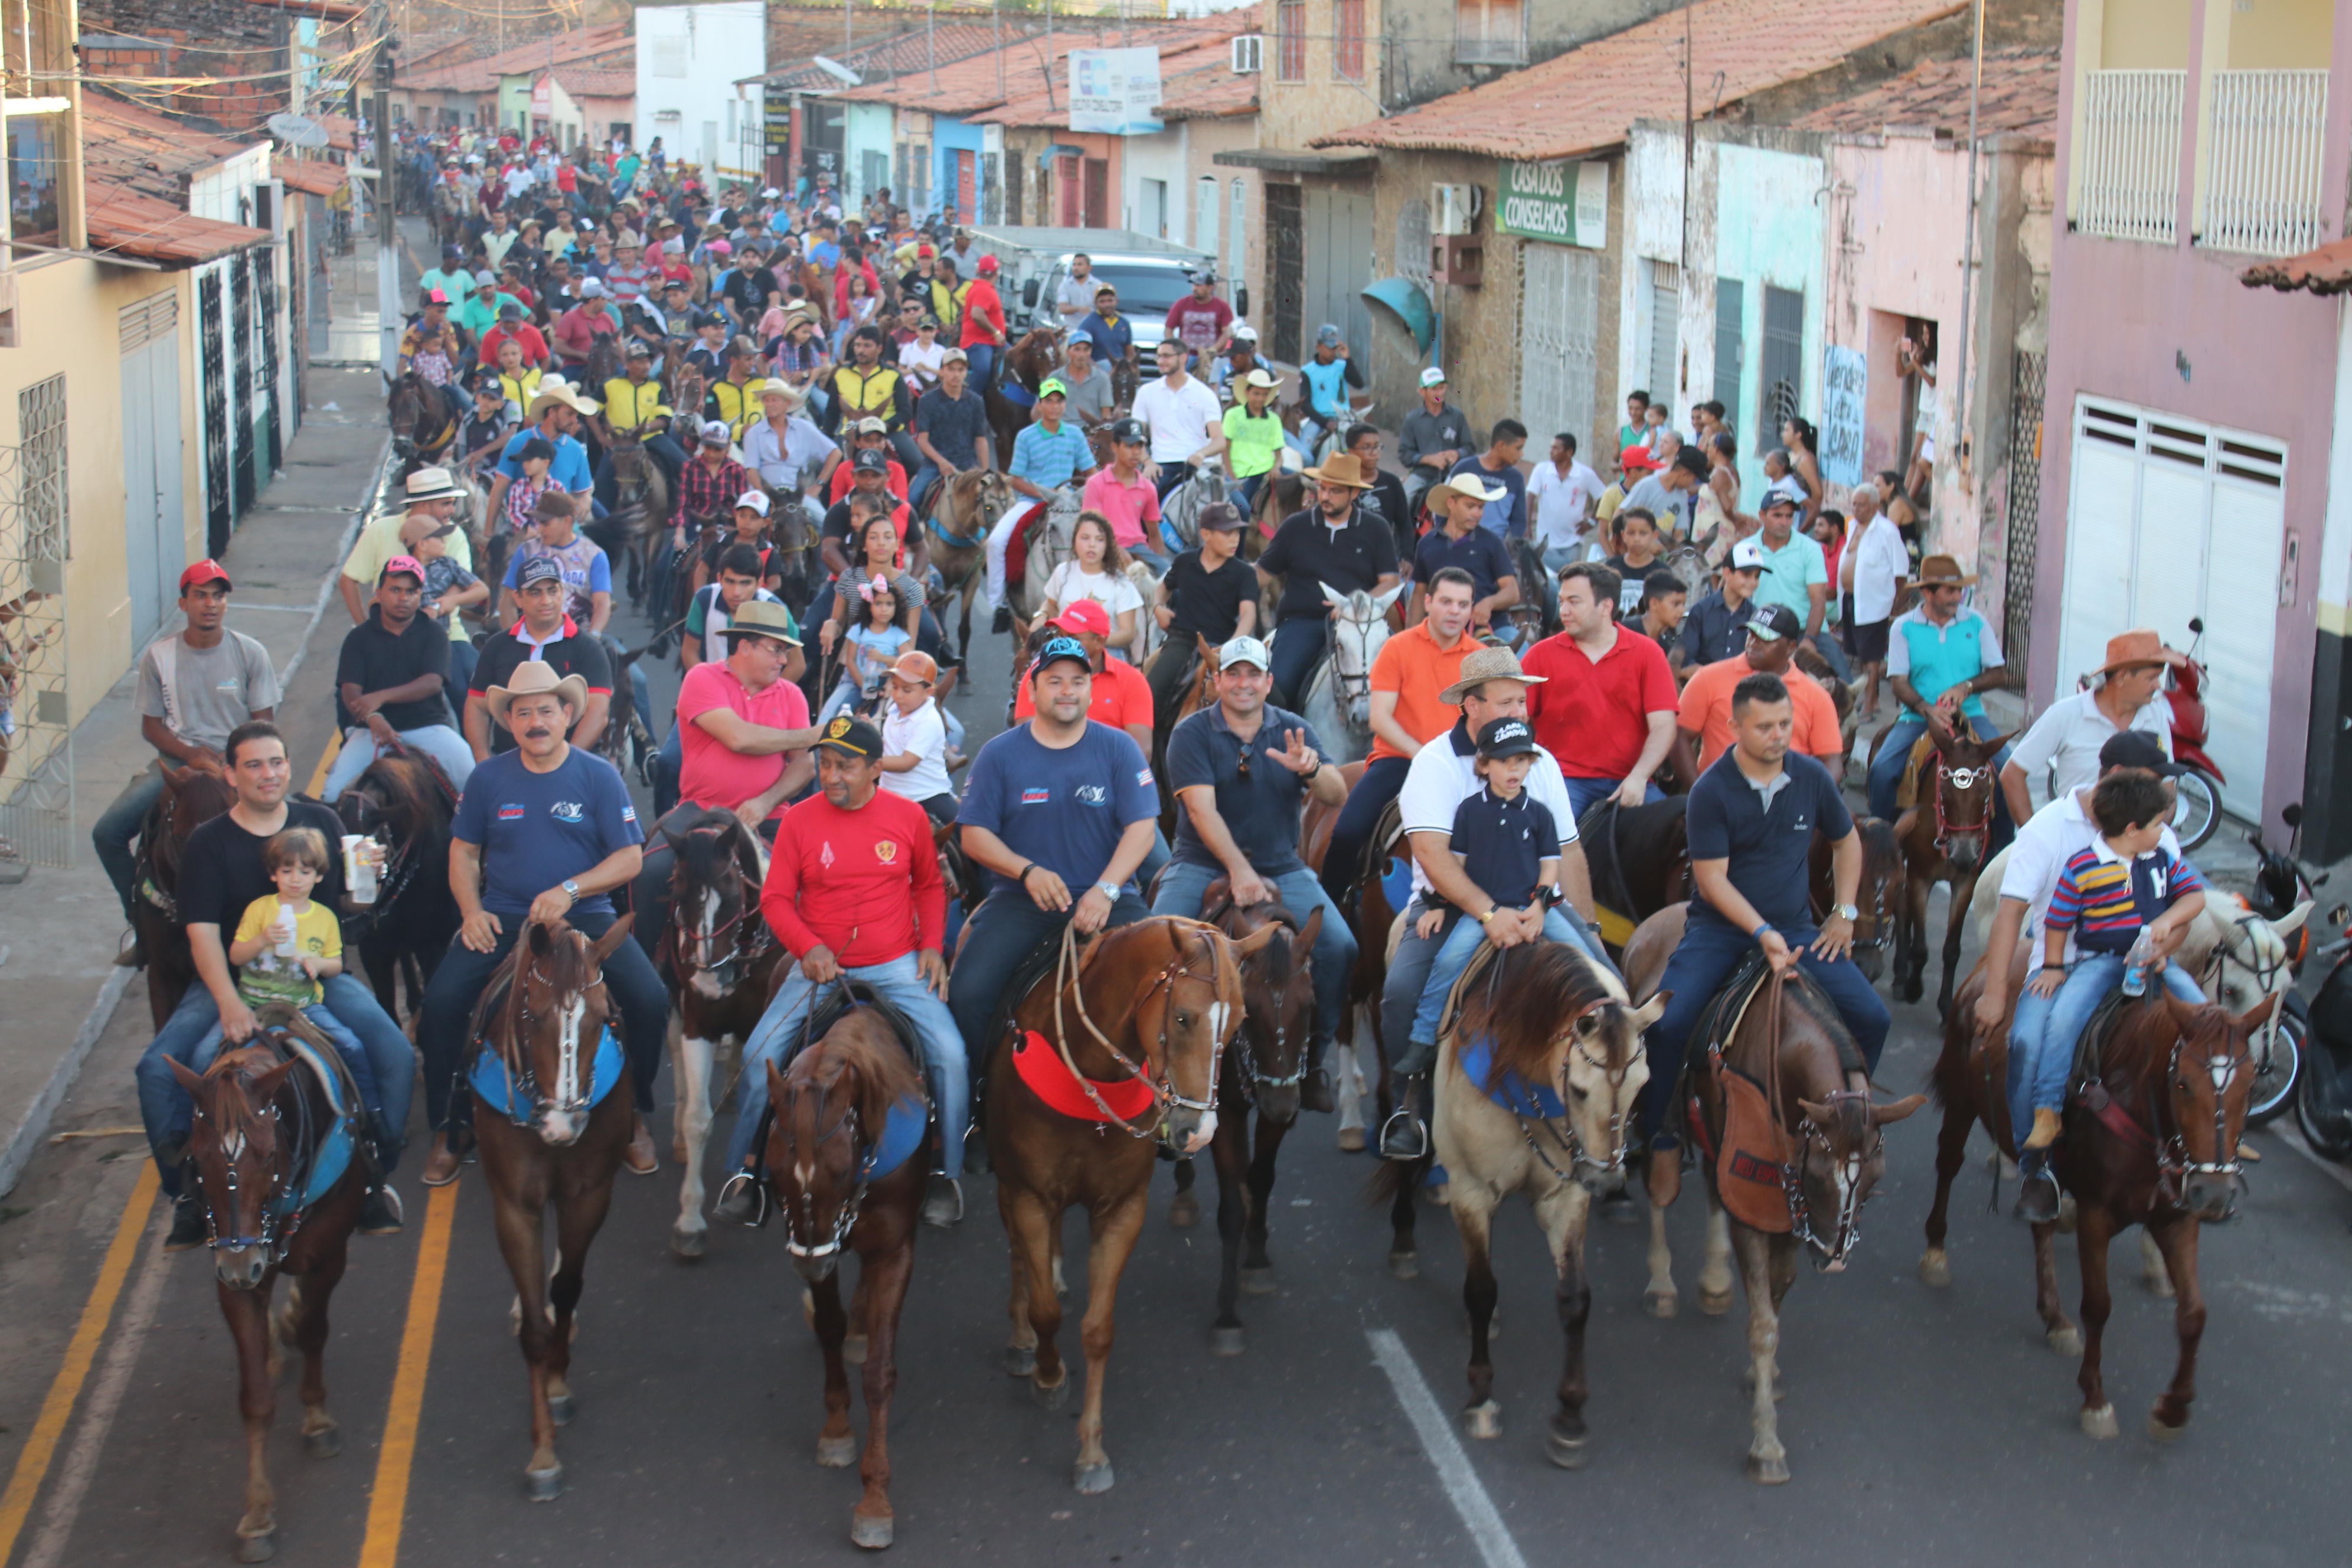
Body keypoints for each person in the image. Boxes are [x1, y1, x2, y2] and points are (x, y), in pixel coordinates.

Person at [134, 721, 411, 1247]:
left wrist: (370, 875)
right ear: (231, 774)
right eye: (255, 765)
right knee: (158, 1069)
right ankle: (188, 1194)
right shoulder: (207, 844)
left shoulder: (320, 821)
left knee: (392, 1050)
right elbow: (203, 936)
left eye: (277, 762)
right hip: (235, 981)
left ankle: (377, 1169)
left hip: (316, 979)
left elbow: (347, 908)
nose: (269, 774)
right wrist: (228, 1003)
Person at [1635, 671, 1889, 1206]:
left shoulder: (1811, 778)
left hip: (1798, 929)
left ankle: (1847, 1121)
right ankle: (1659, 1134)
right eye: (1766, 727)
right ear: (1734, 727)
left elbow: (1847, 843)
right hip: (1720, 931)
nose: (1779, 736)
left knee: (1873, 1016)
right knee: (1669, 1024)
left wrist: (1843, 913)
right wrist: (1762, 932)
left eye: (1785, 725)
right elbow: (1712, 880)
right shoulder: (1710, 791)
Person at [708, 710, 969, 1227]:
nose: (831, 777)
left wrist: (933, 946)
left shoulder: (909, 817)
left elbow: (927, 885)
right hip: (818, 967)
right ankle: (746, 1173)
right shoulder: (800, 820)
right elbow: (779, 899)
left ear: (875, 770)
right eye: (825, 764)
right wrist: (807, 948)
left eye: (845, 766)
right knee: (761, 1054)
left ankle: (946, 1172)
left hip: (896, 964)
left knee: (952, 1056)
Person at [417, 661, 670, 1185]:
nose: (536, 721)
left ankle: (636, 1114)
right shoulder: (487, 778)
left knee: (649, 1001)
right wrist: (471, 911)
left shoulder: (598, 775)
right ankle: (450, 1123)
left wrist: (570, 890)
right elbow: (463, 853)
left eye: (546, 711)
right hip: (507, 917)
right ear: (509, 721)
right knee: (440, 1006)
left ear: (568, 715)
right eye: (524, 712)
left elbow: (629, 859)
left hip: (587, 916)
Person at [1377, 646, 1605, 1159]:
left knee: (1607, 979)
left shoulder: (1537, 763)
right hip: (1452, 904)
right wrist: (1487, 913)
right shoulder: (1434, 764)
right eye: (1506, 702)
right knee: (1402, 989)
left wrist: (1585, 923)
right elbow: (1436, 856)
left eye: (1521, 702)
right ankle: (1409, 1104)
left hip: (1536, 902)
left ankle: (1615, 1110)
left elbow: (1566, 848)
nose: (1518, 712)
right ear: (1471, 706)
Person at [1975, 733, 2197, 1219]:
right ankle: (2036, 1166)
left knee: (2206, 1036)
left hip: (2143, 962)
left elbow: (2181, 909)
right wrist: (1995, 992)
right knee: (2028, 1044)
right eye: (2156, 781)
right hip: (2063, 965)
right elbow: (2012, 914)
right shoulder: (2049, 829)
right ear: (2118, 777)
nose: (2168, 795)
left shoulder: (2160, 833)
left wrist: (2164, 947)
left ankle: (2207, 1150)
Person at [1152, 635, 1357, 1111]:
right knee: (1156, 949)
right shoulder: (1192, 733)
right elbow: (1201, 812)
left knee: (1340, 948)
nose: (1243, 684)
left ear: (1268, 682)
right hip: (1199, 863)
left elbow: (1335, 794)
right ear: (1219, 680)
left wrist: (1311, 769)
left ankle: (1311, 1061)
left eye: (1253, 675)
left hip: (1281, 865)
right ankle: (1157, 1073)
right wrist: (1239, 871)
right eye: (1234, 674)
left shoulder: (1294, 728)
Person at [947, 636, 1158, 1094]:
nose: (1068, 691)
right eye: (1055, 681)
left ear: (1090, 690)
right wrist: (1026, 870)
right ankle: (980, 1098)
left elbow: (1143, 829)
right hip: (1022, 901)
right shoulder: (999, 754)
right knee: (968, 993)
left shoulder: (1119, 748)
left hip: (1110, 900)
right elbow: (974, 835)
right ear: (1033, 689)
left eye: (1078, 682)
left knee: (1167, 984)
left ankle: (1166, 1101)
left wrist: (1105, 890)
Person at [95, 561, 279, 961]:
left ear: (226, 603)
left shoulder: (250, 653)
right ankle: (142, 924)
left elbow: (264, 723)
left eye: (218, 596)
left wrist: (233, 761)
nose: (210, 604)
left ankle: (286, 926)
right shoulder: (158, 657)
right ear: (184, 603)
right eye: (200, 596)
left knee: (291, 834)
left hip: (237, 766)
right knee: (108, 832)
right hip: (176, 763)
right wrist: (191, 754)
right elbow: (152, 727)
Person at [631, 599, 815, 954]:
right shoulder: (703, 678)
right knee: (653, 872)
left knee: (807, 880)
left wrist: (763, 802)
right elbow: (739, 737)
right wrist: (813, 735)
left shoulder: (791, 694)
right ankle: (653, 971)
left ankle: (790, 977)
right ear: (744, 647)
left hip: (770, 816)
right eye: (777, 650)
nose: (784, 660)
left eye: (786, 651)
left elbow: (804, 766)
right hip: (700, 810)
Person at [1317, 568, 1479, 909]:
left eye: (1463, 605)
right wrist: (1423, 754)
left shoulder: (1480, 657)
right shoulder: (1398, 647)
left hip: (1462, 764)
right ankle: (1328, 917)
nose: (1455, 612)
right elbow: (1380, 717)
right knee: (1347, 831)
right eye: (1447, 602)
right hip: (1401, 759)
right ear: (1429, 602)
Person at [1405, 717, 1561, 1050]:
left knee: (1583, 953)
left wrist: (1540, 906)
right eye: (1504, 762)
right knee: (1448, 961)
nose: (1513, 769)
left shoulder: (1540, 814)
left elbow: (1551, 864)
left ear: (1531, 764)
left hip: (1531, 905)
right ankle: (1423, 1033)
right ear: (1484, 765)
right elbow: (1456, 865)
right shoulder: (1469, 811)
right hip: (1484, 911)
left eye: (1521, 761)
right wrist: (1436, 905)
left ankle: (1613, 1021)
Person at [1523, 561, 1680, 819]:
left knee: (1675, 829)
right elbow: (1515, 717)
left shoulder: (1648, 653)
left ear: (1606, 606)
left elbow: (1664, 725)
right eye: (1562, 602)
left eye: (1575, 602)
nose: (1563, 611)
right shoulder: (1540, 655)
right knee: (1552, 836)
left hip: (1630, 778)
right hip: (1562, 779)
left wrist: (1639, 777)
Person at [1867, 553, 2012, 834]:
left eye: (1960, 590)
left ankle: (2001, 852)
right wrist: (1927, 709)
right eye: (1949, 591)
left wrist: (1966, 687)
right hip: (1917, 717)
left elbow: (1999, 673)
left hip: (1971, 715)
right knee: (1882, 771)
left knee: (2007, 770)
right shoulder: (1903, 627)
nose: (1957, 597)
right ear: (1927, 593)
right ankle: (1879, 842)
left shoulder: (1976, 622)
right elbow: (1898, 681)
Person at [322, 557, 478, 799]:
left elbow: (433, 682)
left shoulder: (434, 632)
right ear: (379, 593)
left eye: (411, 591)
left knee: (472, 782)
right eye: (395, 590)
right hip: (370, 732)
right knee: (333, 794)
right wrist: (373, 717)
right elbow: (350, 691)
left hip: (428, 727)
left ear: (420, 595)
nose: (403, 598)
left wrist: (380, 698)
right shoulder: (358, 638)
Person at [1256, 451, 1399, 712]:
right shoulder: (1296, 526)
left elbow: (1390, 581)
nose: (1324, 496)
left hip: (1360, 623)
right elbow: (1262, 574)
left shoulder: (1376, 528)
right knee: (1279, 688)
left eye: (1335, 491)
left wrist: (1352, 607)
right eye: (1322, 488)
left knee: (1403, 684)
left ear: (1354, 494)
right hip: (1304, 622)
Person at [2000, 629, 2176, 825]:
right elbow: (2012, 774)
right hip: (2076, 843)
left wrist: (2155, 839)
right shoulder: (2065, 714)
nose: (2158, 686)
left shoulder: (2156, 715)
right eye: (2151, 678)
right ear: (2122, 677)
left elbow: (2168, 786)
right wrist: (2034, 835)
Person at [466, 556, 613, 759]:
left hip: (577, 761)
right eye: (535, 593)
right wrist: (482, 759)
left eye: (552, 591)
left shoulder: (588, 647)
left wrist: (566, 762)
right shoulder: (497, 646)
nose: (546, 601)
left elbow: (598, 711)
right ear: (518, 598)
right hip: (509, 761)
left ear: (562, 592)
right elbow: (476, 705)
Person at [1677, 605, 1844, 775]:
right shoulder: (1708, 678)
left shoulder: (1817, 697)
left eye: (1765, 638)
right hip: (1719, 795)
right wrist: (1698, 792)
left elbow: (1832, 761)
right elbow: (1680, 737)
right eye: (1751, 634)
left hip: (1785, 797)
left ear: (1791, 647)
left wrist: (1807, 800)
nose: (1753, 643)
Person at [985, 378, 1096, 624]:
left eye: (1059, 402)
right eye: (1049, 402)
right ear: (1041, 405)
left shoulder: (1076, 435)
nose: (1054, 407)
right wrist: (1044, 493)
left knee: (1100, 539)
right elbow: (1016, 479)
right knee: (996, 541)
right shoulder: (1026, 436)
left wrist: (1082, 493)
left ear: (1064, 405)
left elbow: (1091, 472)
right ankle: (999, 603)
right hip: (1032, 500)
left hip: (1068, 502)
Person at [1145, 502, 1257, 722]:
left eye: (1237, 533)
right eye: (1228, 533)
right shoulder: (1185, 562)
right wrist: (1158, 608)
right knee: (1150, 696)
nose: (1235, 539)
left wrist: (1232, 644)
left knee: (1275, 699)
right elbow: (1162, 588)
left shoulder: (1244, 573)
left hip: (1221, 646)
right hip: (1183, 641)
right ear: (1206, 534)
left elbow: (1249, 614)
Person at [1747, 480, 1846, 678]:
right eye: (1777, 516)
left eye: (1789, 516)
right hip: (1759, 632)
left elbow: (1818, 600)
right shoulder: (1747, 549)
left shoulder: (1810, 549)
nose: (1784, 522)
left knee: (1842, 682)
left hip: (1803, 629)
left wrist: (1810, 639)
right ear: (1762, 516)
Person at [398, 512, 489, 710]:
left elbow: (481, 589)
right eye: (438, 538)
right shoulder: (403, 572)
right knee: (456, 689)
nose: (444, 542)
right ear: (421, 544)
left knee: (480, 681)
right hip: (422, 643)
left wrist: (449, 601)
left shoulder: (448, 564)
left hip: (446, 636)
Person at [1409, 474, 1517, 633]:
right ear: (1451, 503)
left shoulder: (1492, 542)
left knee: (1519, 650)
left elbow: (1512, 591)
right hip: (1441, 627)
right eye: (1471, 506)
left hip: (1490, 627)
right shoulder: (1427, 544)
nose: (1477, 513)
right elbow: (1419, 593)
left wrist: (1489, 603)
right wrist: (1411, 634)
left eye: (1481, 507)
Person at [1038, 511, 1145, 664]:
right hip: (1064, 651)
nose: (1092, 545)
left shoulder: (1121, 582)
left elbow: (1128, 633)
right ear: (1074, 540)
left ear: (1107, 545)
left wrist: (1092, 642)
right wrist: (1039, 618)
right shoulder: (1062, 572)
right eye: (1085, 538)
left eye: (1100, 539)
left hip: (1107, 653)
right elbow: (1050, 605)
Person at [1843, 480, 1909, 717]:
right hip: (1852, 599)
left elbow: (1901, 570)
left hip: (1874, 602)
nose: (1856, 509)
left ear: (1875, 506)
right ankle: (1873, 698)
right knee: (1860, 654)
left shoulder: (1887, 530)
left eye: (1861, 505)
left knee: (1872, 657)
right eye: (1854, 504)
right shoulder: (1852, 527)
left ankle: (1869, 704)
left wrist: (1894, 601)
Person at [1133, 338, 1227, 502]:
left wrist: (1202, 453)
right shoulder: (1146, 392)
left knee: (1242, 508)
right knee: (1138, 505)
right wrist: (1148, 462)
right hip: (1162, 463)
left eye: (1167, 356)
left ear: (1183, 358)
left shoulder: (1205, 394)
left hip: (1200, 464)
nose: (1161, 361)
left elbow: (1219, 440)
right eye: (1159, 356)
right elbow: (1135, 436)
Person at [876, 651, 958, 822]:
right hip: (888, 793)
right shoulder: (893, 712)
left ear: (927, 692)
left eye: (907, 690)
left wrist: (867, 761)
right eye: (895, 687)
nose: (898, 695)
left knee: (966, 832)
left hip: (926, 795)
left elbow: (907, 763)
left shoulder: (928, 720)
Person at [1674, 535, 1771, 680]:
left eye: (1756, 577)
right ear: (1727, 574)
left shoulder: (1756, 616)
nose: (1752, 582)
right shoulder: (1701, 611)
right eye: (1746, 575)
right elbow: (1689, 661)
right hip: (1704, 687)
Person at [909, 347, 992, 511]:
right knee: (913, 499)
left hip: (967, 464)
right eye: (951, 369)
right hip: (934, 465)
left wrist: (985, 471)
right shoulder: (927, 401)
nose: (956, 374)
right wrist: (942, 462)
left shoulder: (976, 401)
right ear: (942, 371)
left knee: (993, 502)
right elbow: (923, 441)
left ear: (966, 372)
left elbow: (981, 440)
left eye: (961, 370)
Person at [1080, 419, 1167, 574]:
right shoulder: (1096, 483)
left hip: (1139, 548)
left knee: (1172, 575)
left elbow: (1154, 533)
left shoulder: (1148, 488)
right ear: (1115, 447)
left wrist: (1163, 574)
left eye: (1139, 446)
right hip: (1103, 546)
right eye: (1129, 446)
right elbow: (1093, 528)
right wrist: (1116, 550)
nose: (1135, 452)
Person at [822, 576, 911, 721]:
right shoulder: (859, 630)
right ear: (869, 606)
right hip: (862, 682)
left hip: (889, 684)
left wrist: (882, 658)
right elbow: (850, 660)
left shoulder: (898, 634)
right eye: (878, 604)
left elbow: (907, 662)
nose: (884, 609)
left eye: (890, 604)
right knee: (843, 711)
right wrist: (863, 684)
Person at [1398, 367, 1471, 523]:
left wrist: (1458, 454)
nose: (1439, 393)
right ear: (1422, 392)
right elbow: (1404, 454)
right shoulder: (1412, 419)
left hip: (1454, 474)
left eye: (1442, 388)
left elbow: (1470, 448)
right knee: (1403, 499)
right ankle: (1397, 541)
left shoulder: (1457, 416)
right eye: (1434, 389)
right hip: (1422, 475)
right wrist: (1428, 459)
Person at [743, 379, 837, 497]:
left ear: (787, 403)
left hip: (797, 495)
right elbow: (752, 471)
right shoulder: (754, 433)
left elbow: (835, 453)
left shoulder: (804, 428)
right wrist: (765, 495)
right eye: (766, 400)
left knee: (822, 516)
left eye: (774, 400)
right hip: (764, 494)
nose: (769, 404)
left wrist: (818, 485)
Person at [1528, 432, 1605, 573]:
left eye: (1556, 448)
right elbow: (1530, 497)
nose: (1551, 451)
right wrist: (1527, 526)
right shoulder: (1542, 470)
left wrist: (1593, 521)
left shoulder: (1584, 474)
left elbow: (1603, 496)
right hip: (1545, 541)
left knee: (1568, 576)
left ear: (1569, 452)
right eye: (1551, 447)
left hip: (1573, 540)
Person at [1448, 420, 1528, 539]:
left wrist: (1507, 549)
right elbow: (1443, 506)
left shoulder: (1516, 479)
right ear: (1501, 446)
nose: (1522, 454)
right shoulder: (1464, 468)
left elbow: (1519, 521)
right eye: (1518, 448)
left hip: (1496, 550)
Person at [1221, 368, 1285, 520]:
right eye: (1256, 393)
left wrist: (1276, 468)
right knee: (1243, 512)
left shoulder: (1274, 420)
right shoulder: (1233, 415)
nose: (1261, 398)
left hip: (1267, 472)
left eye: (1265, 394)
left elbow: (1279, 454)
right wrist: (1233, 478)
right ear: (1247, 393)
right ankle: (1240, 544)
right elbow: (1225, 449)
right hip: (1241, 474)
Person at [1295, 324, 1364, 455]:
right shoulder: (1307, 371)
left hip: (1344, 419)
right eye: (1329, 348)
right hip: (1319, 420)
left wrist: (1348, 359)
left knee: (1364, 447)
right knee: (1304, 453)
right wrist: (1325, 422)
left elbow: (1359, 384)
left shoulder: (1343, 366)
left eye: (1335, 348)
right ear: (1319, 347)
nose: (1333, 352)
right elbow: (1305, 404)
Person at [1164, 269, 1234, 370]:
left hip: (1211, 358)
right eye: (1194, 285)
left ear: (1210, 288)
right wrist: (1176, 349)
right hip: (1187, 356)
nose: (1194, 288)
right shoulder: (1182, 304)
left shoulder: (1222, 307)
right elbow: (1169, 329)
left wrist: (1214, 349)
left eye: (1199, 285)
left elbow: (1227, 333)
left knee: (1213, 375)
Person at [1601, 508, 1665, 619]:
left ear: (1655, 535)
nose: (1637, 539)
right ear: (1623, 536)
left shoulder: (1663, 573)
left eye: (1643, 533)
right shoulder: (1610, 568)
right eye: (1631, 533)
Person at [956, 252, 1009, 386]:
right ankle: (973, 400)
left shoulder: (981, 287)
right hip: (978, 342)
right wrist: (996, 333)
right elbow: (977, 315)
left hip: (990, 342)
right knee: (983, 370)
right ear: (996, 273)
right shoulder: (983, 289)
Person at [1060, 333, 1115, 429]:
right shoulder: (1056, 378)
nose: (1082, 355)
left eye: (1086, 350)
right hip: (1063, 431)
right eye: (1077, 349)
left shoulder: (1102, 378)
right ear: (1068, 352)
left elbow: (1106, 413)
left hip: (1092, 432)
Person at [1076, 282, 1133, 370]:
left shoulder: (1124, 323)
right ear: (1095, 303)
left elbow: (1129, 350)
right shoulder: (1088, 324)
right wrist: (1098, 371)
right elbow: (1081, 353)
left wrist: (1130, 367)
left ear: (1116, 301)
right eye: (1102, 301)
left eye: (1110, 301)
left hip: (1120, 369)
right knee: (1106, 365)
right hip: (1098, 367)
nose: (1107, 305)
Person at [1635, 570, 1687, 667]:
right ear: (1654, 603)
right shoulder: (1625, 634)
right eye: (1676, 604)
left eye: (1683, 605)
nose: (1682, 611)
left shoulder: (1668, 647)